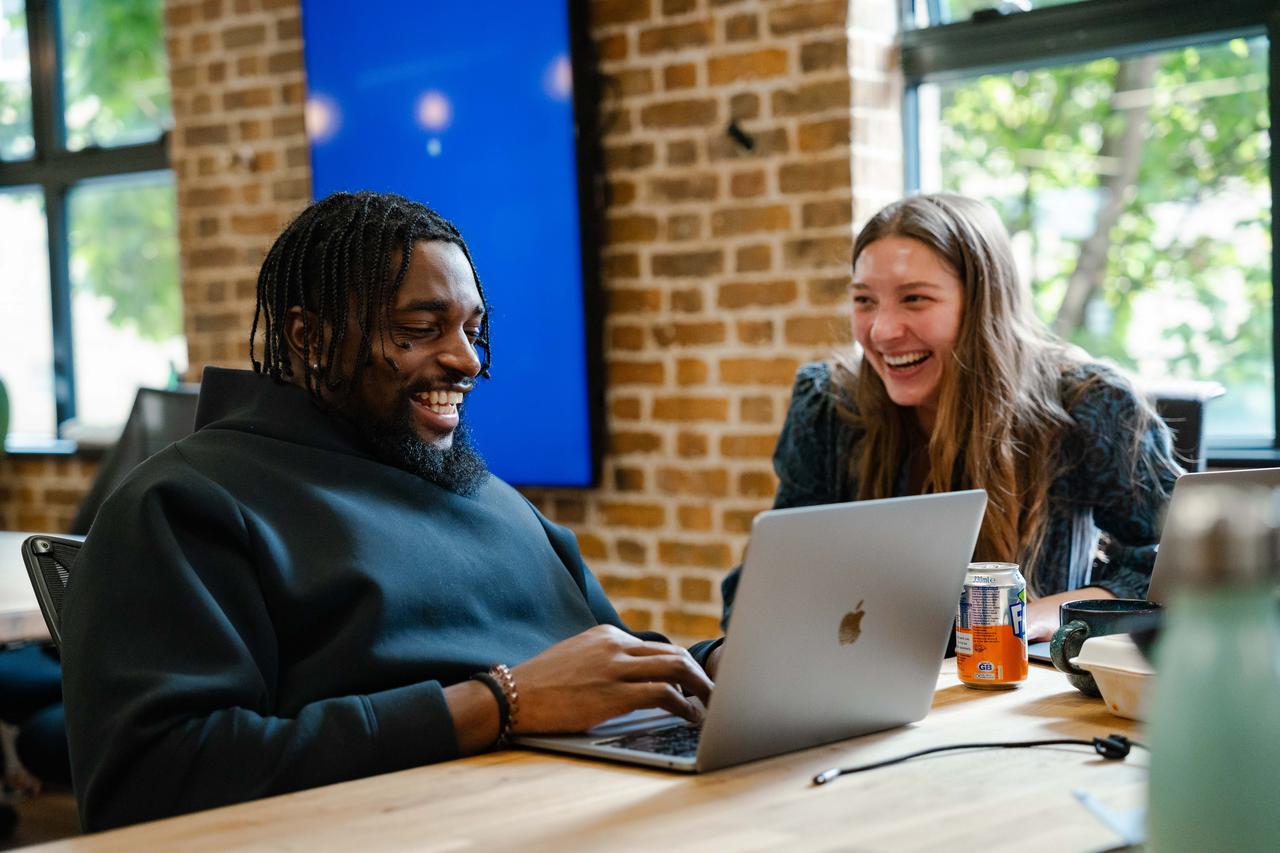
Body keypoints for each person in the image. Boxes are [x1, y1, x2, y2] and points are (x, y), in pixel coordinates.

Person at [60, 191, 718, 832]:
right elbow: (150, 782)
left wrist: (721, 666)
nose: (464, 359)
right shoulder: (185, 502)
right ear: (308, 336)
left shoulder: (496, 502)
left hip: (584, 818)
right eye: (419, 330)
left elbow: (609, 666)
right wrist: (499, 703)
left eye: (473, 331)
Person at [720, 193, 1181, 641]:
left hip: (1024, 693)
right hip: (873, 680)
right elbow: (775, 574)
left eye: (915, 299)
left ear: (984, 305)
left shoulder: (1090, 404)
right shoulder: (828, 403)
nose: (880, 331)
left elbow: (1181, 560)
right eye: (864, 300)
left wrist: (1048, 613)